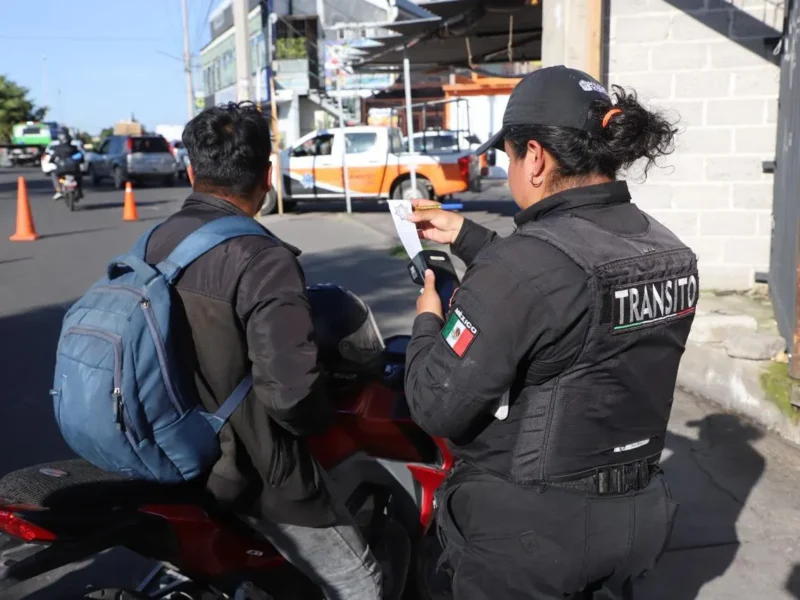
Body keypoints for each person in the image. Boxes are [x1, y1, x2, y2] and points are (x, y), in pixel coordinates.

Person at [404, 66, 696, 599]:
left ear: (535, 158)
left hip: (530, 539)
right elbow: (567, 294)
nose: (509, 169)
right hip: (639, 515)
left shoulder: (523, 268)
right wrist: (466, 236)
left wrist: (428, 318)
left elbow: (435, 404)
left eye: (508, 156)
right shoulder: (669, 249)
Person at [144, 101, 382, 600]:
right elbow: (291, 395)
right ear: (268, 175)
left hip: (162, 453)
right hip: (246, 473)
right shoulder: (262, 258)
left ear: (191, 171)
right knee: (363, 585)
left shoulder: (152, 243)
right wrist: (320, 418)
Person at [49, 128, 84, 200]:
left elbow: (52, 158)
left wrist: (51, 161)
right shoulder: (73, 147)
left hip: (61, 169)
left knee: (54, 175)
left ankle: (58, 191)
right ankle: (79, 191)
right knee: (79, 177)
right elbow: (80, 157)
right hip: (74, 169)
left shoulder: (57, 148)